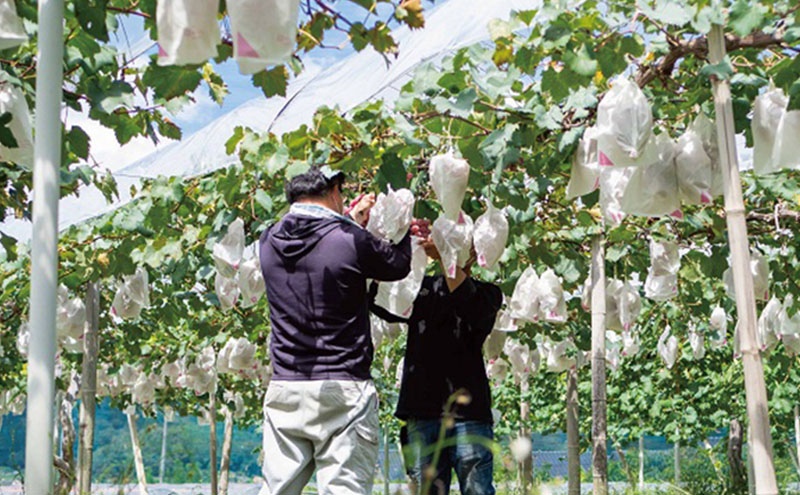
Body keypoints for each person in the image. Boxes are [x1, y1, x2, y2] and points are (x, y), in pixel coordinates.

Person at [258, 165, 418, 495]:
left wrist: (348, 222)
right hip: (343, 389)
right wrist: (404, 229)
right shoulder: (350, 240)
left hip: (286, 387)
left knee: (277, 490)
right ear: (333, 192)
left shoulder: (268, 240)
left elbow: (323, 250)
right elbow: (397, 265)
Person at [370, 238, 503, 495]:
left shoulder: (489, 294)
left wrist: (444, 257)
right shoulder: (422, 290)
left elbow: (467, 303)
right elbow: (381, 303)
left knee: (477, 491)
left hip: (469, 417)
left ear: (474, 255)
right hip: (422, 414)